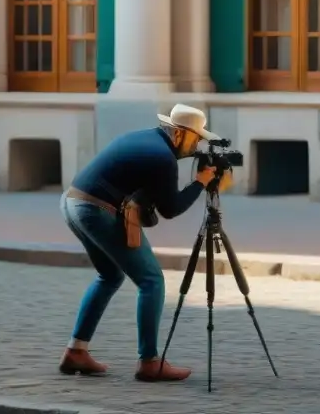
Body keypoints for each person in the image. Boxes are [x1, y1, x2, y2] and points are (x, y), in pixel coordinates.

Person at [58, 104, 230, 382]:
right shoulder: (163, 158)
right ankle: (149, 362)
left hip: (72, 202)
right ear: (178, 135)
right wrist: (200, 182)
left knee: (110, 275)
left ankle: (76, 351)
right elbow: (170, 209)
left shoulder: (146, 140)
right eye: (195, 138)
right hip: (94, 209)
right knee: (151, 280)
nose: (197, 145)